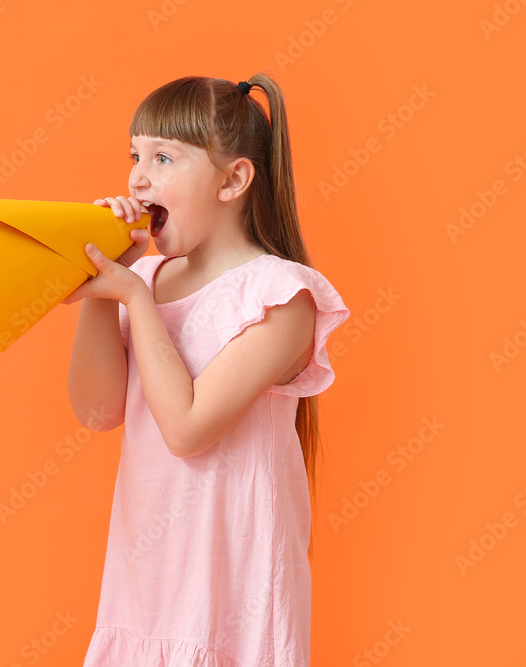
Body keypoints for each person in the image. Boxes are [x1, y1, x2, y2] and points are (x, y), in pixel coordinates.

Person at [63, 73, 351, 667]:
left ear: (234, 179)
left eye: (164, 157)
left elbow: (188, 429)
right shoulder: (144, 280)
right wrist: (101, 288)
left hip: (232, 594)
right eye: (135, 155)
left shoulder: (281, 296)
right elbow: (96, 411)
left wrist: (134, 302)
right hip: (145, 590)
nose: (138, 178)